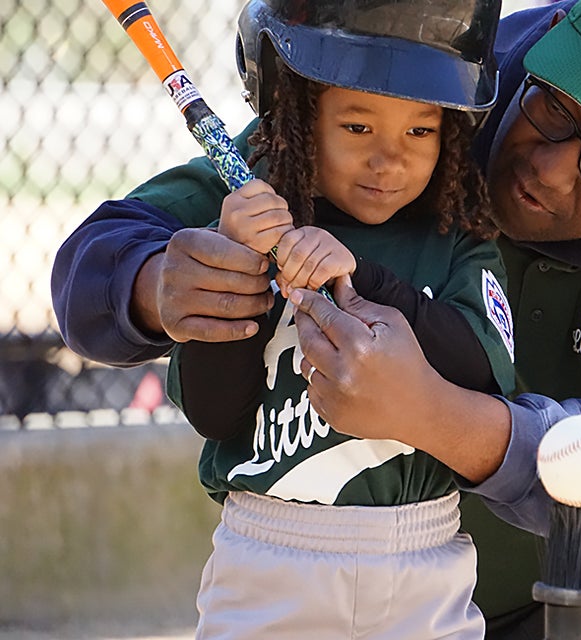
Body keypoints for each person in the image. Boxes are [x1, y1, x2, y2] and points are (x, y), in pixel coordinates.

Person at [52, 0, 581, 637]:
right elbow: (121, 247)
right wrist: (155, 284)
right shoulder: (439, 82)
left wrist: (436, 414)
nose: (546, 165)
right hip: (360, 576)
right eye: (554, 107)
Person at [62, 1, 517, 638]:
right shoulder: (252, 190)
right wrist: (222, 272)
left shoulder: (454, 225)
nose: (389, 162)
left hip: (423, 551)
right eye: (358, 127)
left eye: (420, 130)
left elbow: (482, 372)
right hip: (267, 551)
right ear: (300, 114)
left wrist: (367, 277)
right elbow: (215, 414)